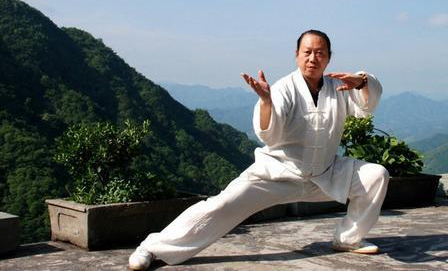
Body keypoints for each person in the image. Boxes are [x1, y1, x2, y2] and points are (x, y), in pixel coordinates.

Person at [128, 29, 388, 270]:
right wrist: (266, 102)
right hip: (277, 174)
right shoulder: (285, 88)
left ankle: (348, 238)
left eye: (320, 53)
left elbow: (366, 106)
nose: (313, 58)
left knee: (375, 175)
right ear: (297, 55)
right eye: (307, 52)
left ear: (329, 57)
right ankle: (152, 248)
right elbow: (270, 135)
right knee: (222, 205)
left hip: (325, 173)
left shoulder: (339, 87)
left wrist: (362, 81)